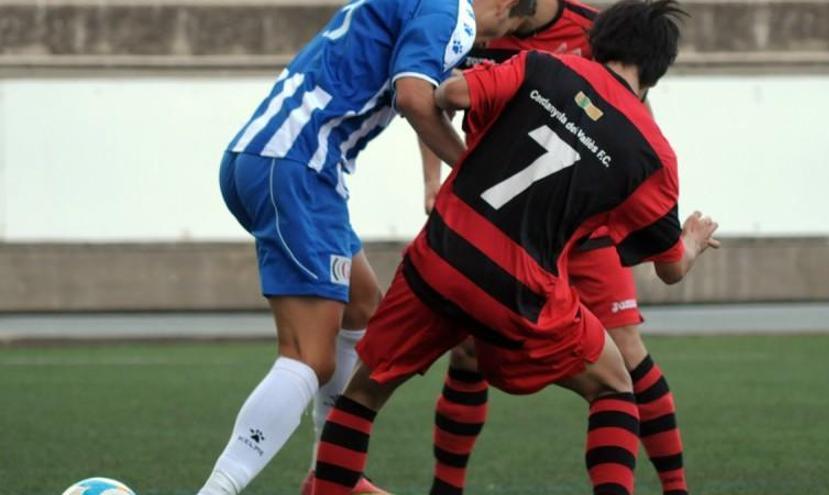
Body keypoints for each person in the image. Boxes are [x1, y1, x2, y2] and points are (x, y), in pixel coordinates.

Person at [312, 1, 717, 494]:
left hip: (441, 253)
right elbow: (671, 267)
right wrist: (692, 242)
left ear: (599, 41)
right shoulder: (654, 154)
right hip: (521, 284)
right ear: (655, 73)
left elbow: (451, 92)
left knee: (360, 399)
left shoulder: (538, 66)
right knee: (614, 387)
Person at [195, 0, 537, 493]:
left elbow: (424, 92)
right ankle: (219, 490)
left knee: (362, 309)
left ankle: (331, 477)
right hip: (298, 166)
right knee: (309, 357)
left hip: (274, 159)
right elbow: (415, 99)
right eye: (508, 26)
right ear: (504, 4)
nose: (487, 41)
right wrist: (475, 177)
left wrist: (434, 178)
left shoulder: (423, 7)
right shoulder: (454, 14)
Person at [417, 1, 693, 494]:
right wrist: (437, 178)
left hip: (582, 228)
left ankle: (676, 487)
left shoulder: (595, 31)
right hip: (499, 224)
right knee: (466, 354)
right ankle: (446, 488)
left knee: (628, 354)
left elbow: (632, 115)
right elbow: (434, 93)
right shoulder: (474, 23)